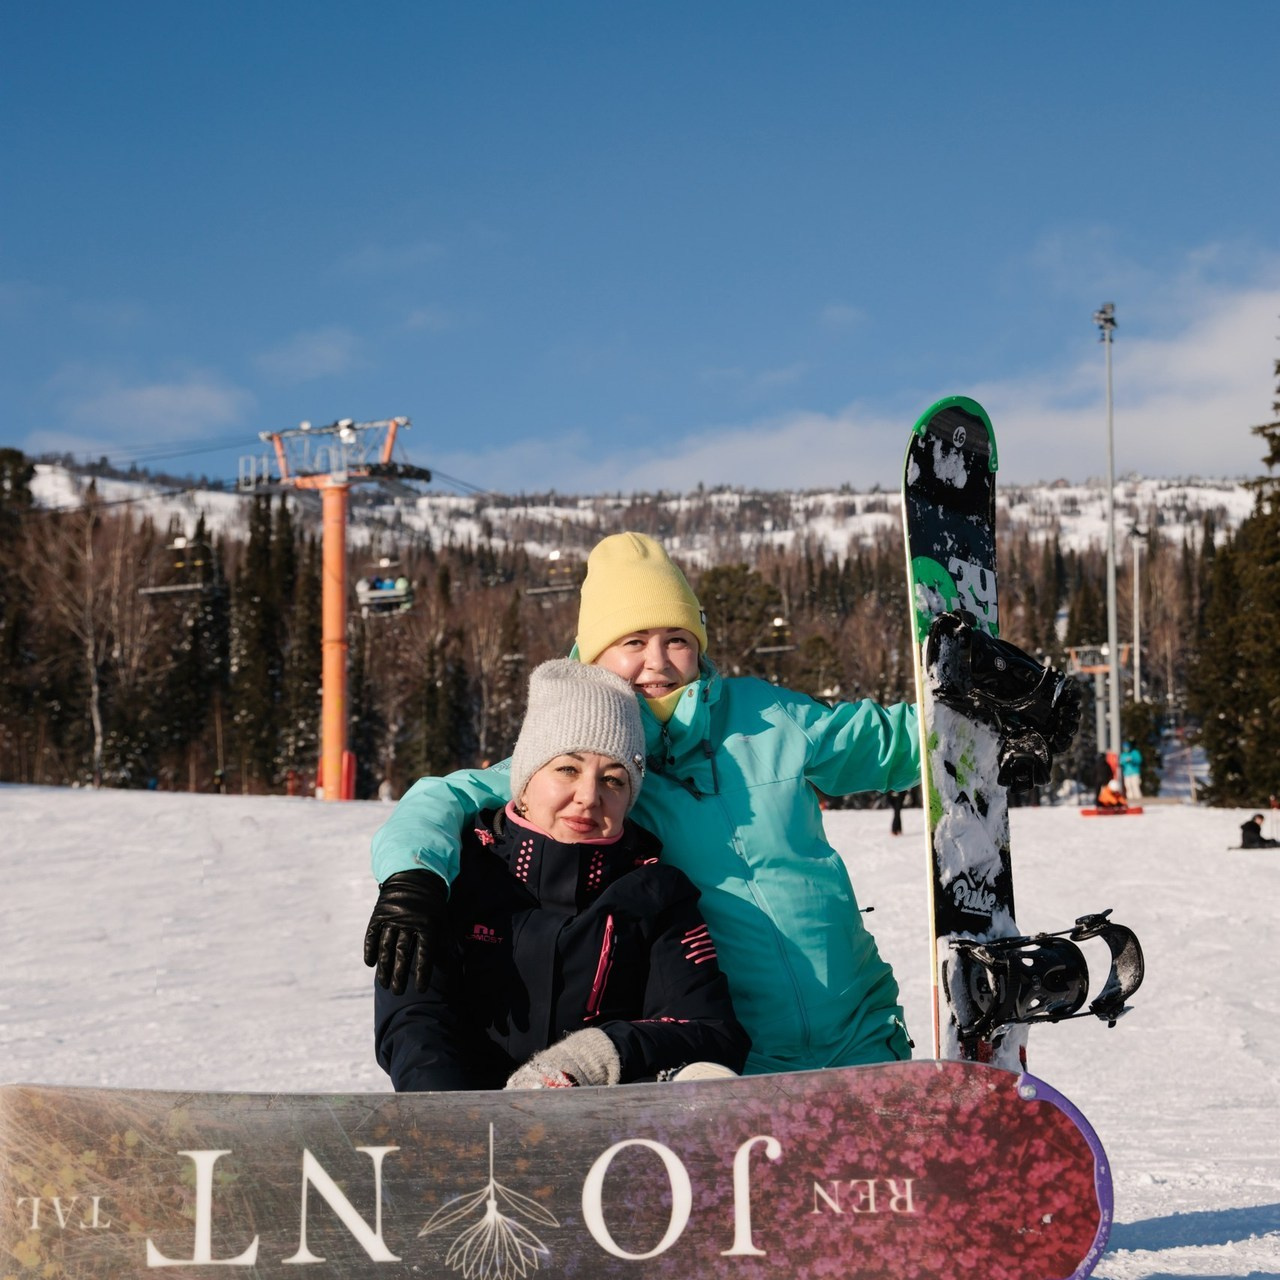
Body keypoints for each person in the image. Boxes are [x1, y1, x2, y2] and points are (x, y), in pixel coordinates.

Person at [366, 532, 1078, 1075]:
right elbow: (446, 797)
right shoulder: (590, 763)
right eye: (633, 643)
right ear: (590, 659)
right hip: (734, 1053)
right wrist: (412, 879)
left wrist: (976, 726)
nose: (658, 660)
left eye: (677, 639)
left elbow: (878, 742)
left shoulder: (763, 717)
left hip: (858, 1021)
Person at [374, 659, 748, 1090]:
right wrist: (455, 1126)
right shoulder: (454, 874)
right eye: (567, 769)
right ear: (526, 781)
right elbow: (414, 1021)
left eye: (613, 780)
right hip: (467, 1135)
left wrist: (596, 1056)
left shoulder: (658, 894)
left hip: (608, 1141)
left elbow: (712, 1031)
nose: (589, 797)